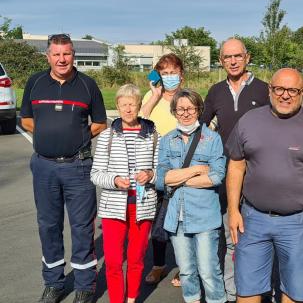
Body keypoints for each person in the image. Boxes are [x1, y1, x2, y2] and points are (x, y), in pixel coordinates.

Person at [226, 68, 303, 303]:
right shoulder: (249, 121)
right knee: (247, 290)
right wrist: (233, 210)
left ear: (302, 93)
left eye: (292, 90)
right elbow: (236, 167)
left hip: (299, 222)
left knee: (295, 291)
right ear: (270, 90)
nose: (285, 95)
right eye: (279, 88)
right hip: (253, 220)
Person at [20, 34, 107, 303]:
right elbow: (25, 120)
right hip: (44, 166)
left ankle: (84, 285)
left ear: (73, 55)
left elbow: (100, 123)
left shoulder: (87, 85)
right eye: (56, 54)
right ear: (47, 56)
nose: (61, 59)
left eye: (66, 54)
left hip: (78, 167)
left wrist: (76, 139)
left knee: (82, 227)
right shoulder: (35, 83)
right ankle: (54, 283)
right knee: (48, 225)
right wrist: (48, 134)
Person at [201, 37, 269, 302]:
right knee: (224, 229)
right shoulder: (216, 91)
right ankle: (229, 288)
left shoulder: (264, 90)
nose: (232, 61)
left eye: (237, 56)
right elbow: (202, 128)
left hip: (256, 171)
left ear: (247, 57)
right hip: (224, 170)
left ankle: (253, 286)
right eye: (227, 57)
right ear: (220, 61)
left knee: (252, 231)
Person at [157, 89, 227, 303]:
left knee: (208, 270)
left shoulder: (212, 139)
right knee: (186, 270)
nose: (186, 113)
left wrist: (178, 178)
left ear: (199, 110)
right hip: (176, 216)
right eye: (180, 109)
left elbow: (216, 176)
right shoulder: (168, 140)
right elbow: (161, 179)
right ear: (174, 112)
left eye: (190, 108)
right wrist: (196, 170)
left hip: (205, 215)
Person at [90, 84, 158, 303]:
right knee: (112, 260)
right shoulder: (107, 136)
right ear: (117, 106)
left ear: (139, 106)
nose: (128, 109)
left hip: (143, 204)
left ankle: (131, 298)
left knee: (137, 258)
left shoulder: (152, 134)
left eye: (133, 104)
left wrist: (150, 174)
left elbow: (161, 169)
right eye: (124, 104)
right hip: (113, 206)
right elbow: (96, 174)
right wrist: (114, 180)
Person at [140, 53, 184, 286]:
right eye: (164, 73)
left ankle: (182, 268)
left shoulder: (188, 98)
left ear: (181, 75)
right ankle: (158, 266)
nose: (169, 77)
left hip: (181, 170)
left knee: (181, 223)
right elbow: (139, 122)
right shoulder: (152, 96)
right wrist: (155, 95)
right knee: (158, 223)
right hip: (155, 171)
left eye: (173, 73)